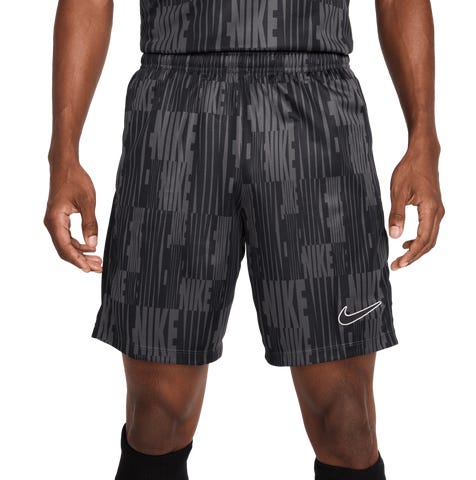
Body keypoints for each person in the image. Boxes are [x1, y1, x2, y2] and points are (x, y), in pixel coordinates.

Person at [44, 1, 445, 479]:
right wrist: (63, 154)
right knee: (157, 414)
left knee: (345, 418)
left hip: (315, 105)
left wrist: (424, 140)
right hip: (176, 110)